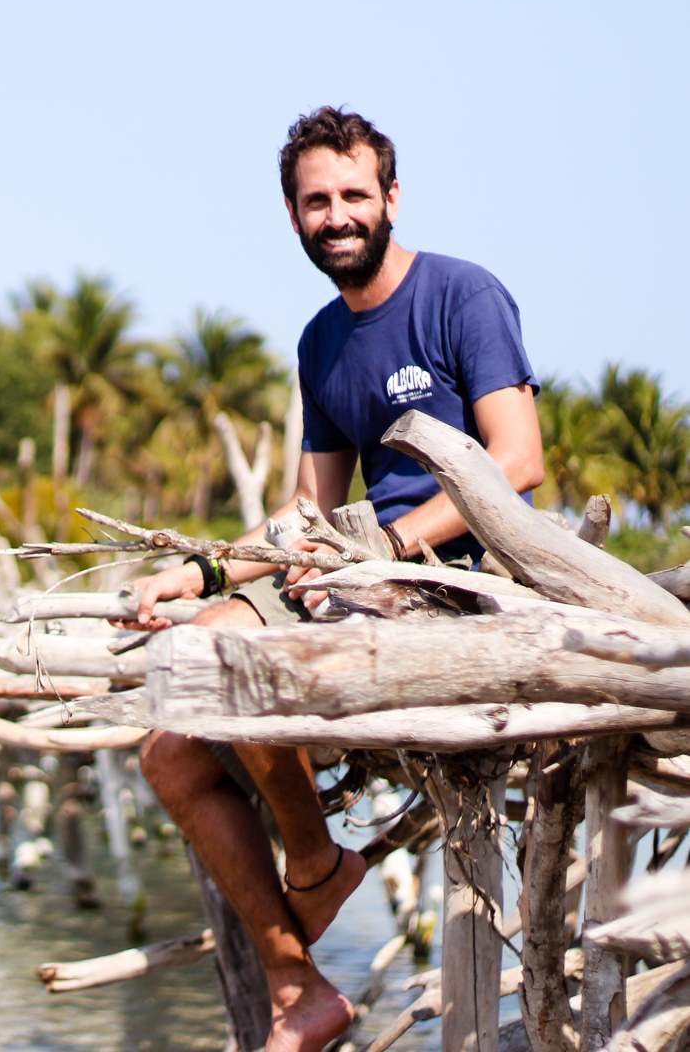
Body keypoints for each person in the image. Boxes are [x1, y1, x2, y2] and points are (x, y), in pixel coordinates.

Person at [126, 107, 545, 1052]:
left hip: (458, 575)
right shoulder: (321, 340)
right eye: (318, 201)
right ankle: (298, 986)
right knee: (168, 752)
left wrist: (392, 550)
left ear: (391, 199)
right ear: (293, 216)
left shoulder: (463, 295)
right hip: (352, 564)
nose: (338, 215)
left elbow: (517, 463)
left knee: (219, 649)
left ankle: (314, 857)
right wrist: (196, 571)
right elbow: (304, 516)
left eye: (356, 195)